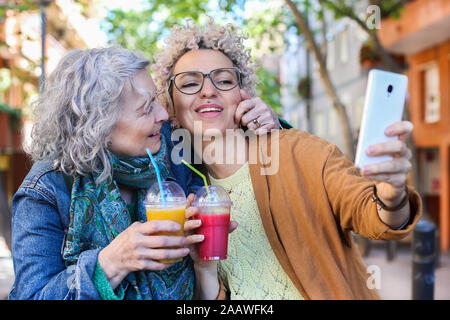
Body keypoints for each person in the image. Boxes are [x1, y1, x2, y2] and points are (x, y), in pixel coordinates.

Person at [152, 19, 423, 300]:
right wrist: (205, 270)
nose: (208, 91)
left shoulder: (299, 152)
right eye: (189, 83)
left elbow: (375, 216)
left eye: (223, 80)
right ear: (170, 107)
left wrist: (391, 196)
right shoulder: (184, 192)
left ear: (242, 95)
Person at [9, 46, 279, 300]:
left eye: (157, 101)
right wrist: (112, 261)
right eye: (146, 108)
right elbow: (31, 293)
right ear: (99, 128)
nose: (163, 114)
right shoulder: (45, 190)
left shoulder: (172, 152)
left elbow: (227, 134)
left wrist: (268, 124)